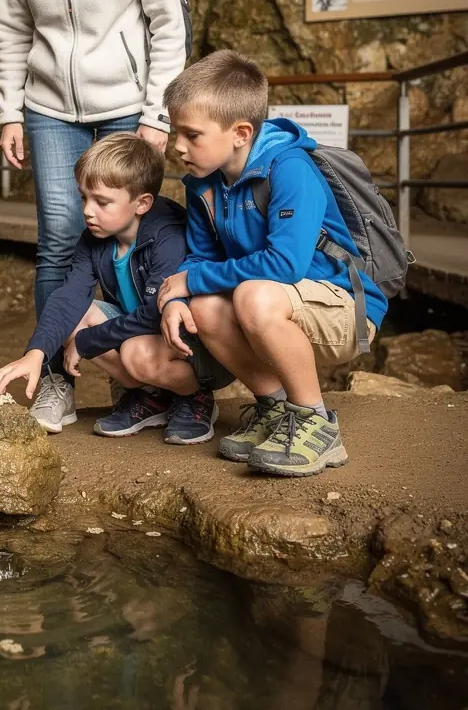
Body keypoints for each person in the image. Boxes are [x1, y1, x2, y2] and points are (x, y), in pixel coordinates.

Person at [0, 0, 188, 431]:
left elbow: (167, 22)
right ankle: (53, 378)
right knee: (58, 238)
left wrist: (157, 115)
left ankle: (148, 376)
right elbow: (11, 29)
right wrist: (9, 112)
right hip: (50, 109)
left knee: (135, 237)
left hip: (129, 106)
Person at [157, 50, 387, 477]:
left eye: (191, 134)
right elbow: (200, 259)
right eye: (175, 132)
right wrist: (176, 298)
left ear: (241, 132)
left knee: (251, 295)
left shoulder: (290, 168)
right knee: (204, 306)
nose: (177, 146)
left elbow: (284, 265)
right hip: (272, 302)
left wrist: (194, 277)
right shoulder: (203, 184)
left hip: (344, 309)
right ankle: (276, 411)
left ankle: (316, 423)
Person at [0, 133, 231, 443]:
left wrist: (87, 341)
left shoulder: (169, 236)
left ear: (142, 203)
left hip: (193, 347)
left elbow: (152, 313)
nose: (88, 211)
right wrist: (36, 353)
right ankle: (151, 397)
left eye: (102, 201)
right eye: (84, 198)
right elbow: (68, 297)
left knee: (133, 352)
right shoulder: (95, 237)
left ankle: (194, 398)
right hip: (145, 337)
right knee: (73, 315)